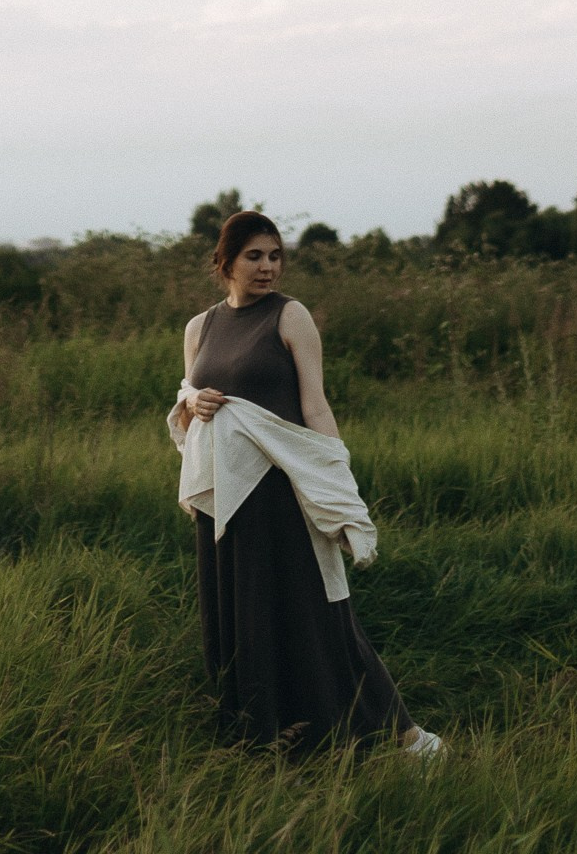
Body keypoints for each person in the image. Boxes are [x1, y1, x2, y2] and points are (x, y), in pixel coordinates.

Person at [175, 209, 441, 755]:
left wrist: (341, 497)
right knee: (239, 621)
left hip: (279, 498)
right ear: (224, 262)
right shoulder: (200, 327)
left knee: (317, 618)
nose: (268, 267)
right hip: (226, 504)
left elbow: (315, 407)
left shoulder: (290, 317)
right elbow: (188, 394)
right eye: (255, 256)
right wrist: (192, 402)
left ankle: (406, 739)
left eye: (275, 256)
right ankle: (268, 739)